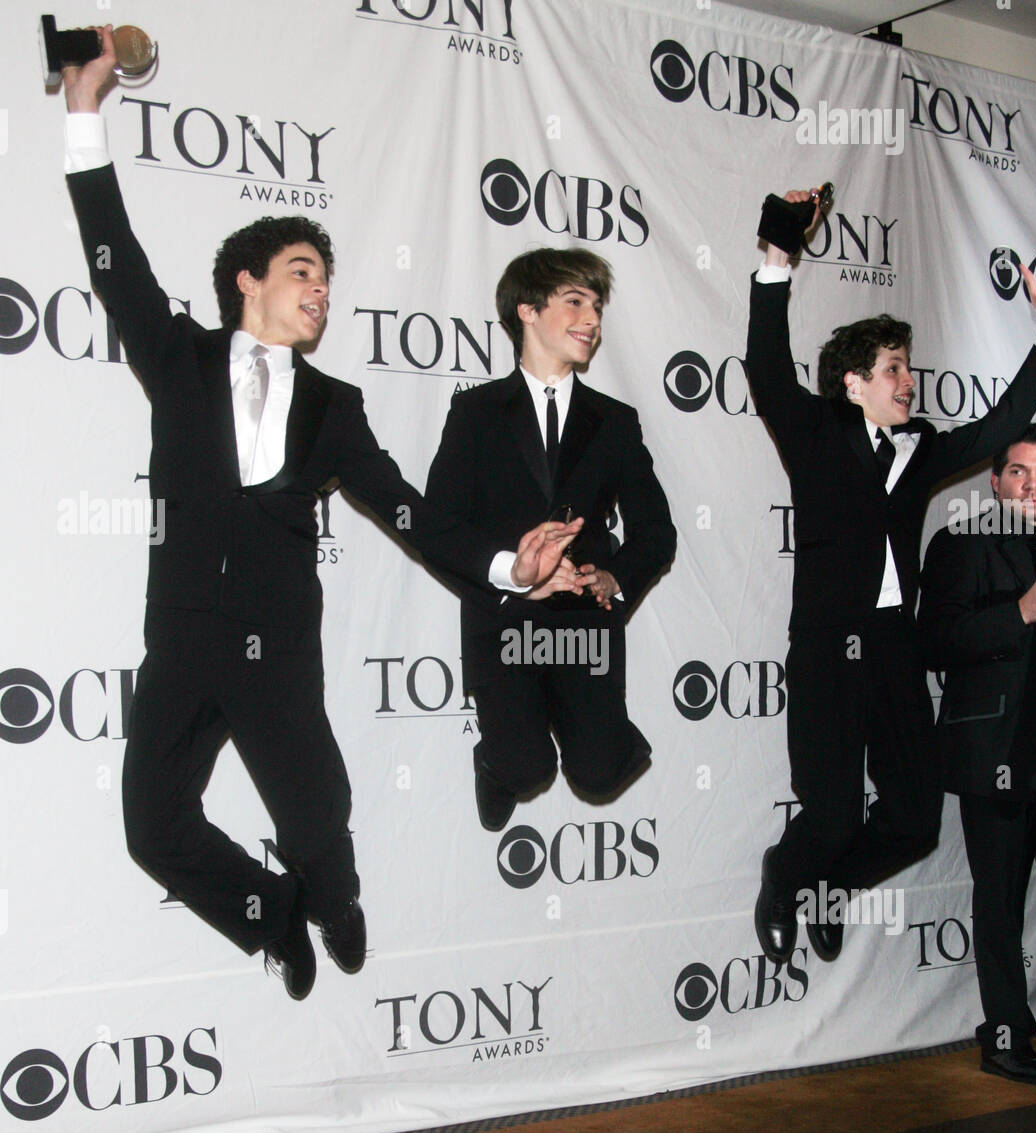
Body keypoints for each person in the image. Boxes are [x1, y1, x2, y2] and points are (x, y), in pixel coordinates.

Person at [60, 29, 579, 1000]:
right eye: (303, 270)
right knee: (152, 827)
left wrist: (513, 566)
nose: (322, 291)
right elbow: (113, 260)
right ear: (247, 281)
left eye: (328, 280)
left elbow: (413, 515)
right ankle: (273, 916)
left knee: (317, 821)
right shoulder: (177, 361)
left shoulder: (333, 406)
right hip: (180, 641)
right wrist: (84, 110)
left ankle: (332, 902)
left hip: (276, 646)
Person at [745, 187, 1036, 966]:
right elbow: (763, 364)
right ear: (852, 382)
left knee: (916, 821)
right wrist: (776, 254)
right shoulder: (815, 433)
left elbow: (996, 430)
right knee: (827, 816)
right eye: (894, 370)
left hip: (895, 647)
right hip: (828, 650)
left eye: (909, 370)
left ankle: (830, 886)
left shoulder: (920, 448)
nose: (908, 382)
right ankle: (788, 874)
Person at [424, 248, 675, 829]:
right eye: (575, 301)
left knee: (600, 774)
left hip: (585, 622)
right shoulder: (475, 412)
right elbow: (440, 526)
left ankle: (599, 736)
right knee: (527, 769)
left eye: (597, 306)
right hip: (506, 621)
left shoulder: (615, 422)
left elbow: (656, 530)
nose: (592, 319)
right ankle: (496, 762)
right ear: (528, 311)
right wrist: (514, 575)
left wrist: (616, 578)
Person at [919, 425, 1036, 1082]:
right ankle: (1004, 1039)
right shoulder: (960, 545)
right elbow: (934, 642)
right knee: (999, 903)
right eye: (1020, 472)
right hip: (998, 754)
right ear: (995, 481)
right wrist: (1019, 613)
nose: (1033, 484)